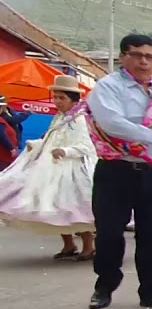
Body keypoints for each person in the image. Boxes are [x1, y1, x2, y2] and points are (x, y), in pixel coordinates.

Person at [83, 33, 152, 309]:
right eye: (137, 55)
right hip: (116, 170)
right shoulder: (107, 87)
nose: (144, 61)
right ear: (123, 57)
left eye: (149, 56)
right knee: (108, 233)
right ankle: (104, 286)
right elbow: (113, 125)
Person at [0, 75, 97, 259]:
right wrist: (36, 145)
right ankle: (68, 245)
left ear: (73, 100)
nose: (58, 102)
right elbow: (50, 139)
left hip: (73, 171)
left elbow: (86, 146)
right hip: (53, 169)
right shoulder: (59, 118)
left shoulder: (79, 120)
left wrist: (66, 151)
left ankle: (88, 246)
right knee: (55, 209)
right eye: (56, 97)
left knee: (75, 209)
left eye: (62, 98)